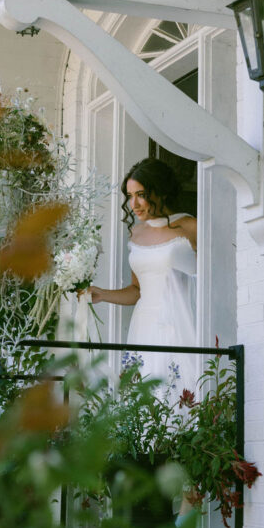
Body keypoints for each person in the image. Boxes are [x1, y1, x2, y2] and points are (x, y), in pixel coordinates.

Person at [88, 157, 198, 410]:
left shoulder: (190, 226)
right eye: (129, 195)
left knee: (181, 391)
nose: (133, 204)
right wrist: (102, 294)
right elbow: (138, 290)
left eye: (141, 195)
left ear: (159, 192)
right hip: (144, 325)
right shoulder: (135, 233)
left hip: (180, 321)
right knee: (147, 396)